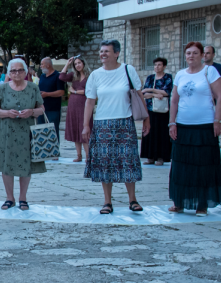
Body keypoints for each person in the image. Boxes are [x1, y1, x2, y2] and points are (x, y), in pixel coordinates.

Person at [82, 40, 148, 214]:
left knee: (128, 161)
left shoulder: (128, 70)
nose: (103, 54)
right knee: (105, 163)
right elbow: (89, 101)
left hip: (124, 122)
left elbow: (139, 94)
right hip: (102, 123)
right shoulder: (95, 75)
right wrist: (85, 126)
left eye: (107, 51)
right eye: (101, 51)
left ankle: (132, 199)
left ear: (117, 53)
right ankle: (107, 202)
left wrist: (146, 119)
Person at [168, 42, 221, 215]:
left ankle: (202, 203)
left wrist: (217, 120)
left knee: (203, 166)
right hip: (183, 125)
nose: (191, 56)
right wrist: (172, 123)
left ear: (202, 55)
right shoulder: (180, 74)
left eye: (195, 53)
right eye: (188, 53)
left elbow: (220, 96)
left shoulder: (210, 71)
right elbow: (174, 100)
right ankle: (179, 201)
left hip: (204, 126)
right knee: (181, 166)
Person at [0, 58, 45, 210]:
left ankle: (23, 198)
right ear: (9, 73)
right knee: (7, 164)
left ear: (25, 72)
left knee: (26, 164)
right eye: (13, 70)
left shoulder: (33, 87)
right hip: (7, 131)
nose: (17, 73)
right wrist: (6, 113)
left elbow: (41, 108)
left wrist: (32, 111)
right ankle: (9, 198)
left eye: (20, 70)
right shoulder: (3, 88)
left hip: (27, 131)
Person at [140, 57, 173, 166]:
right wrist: (155, 94)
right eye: (155, 65)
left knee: (161, 133)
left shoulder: (168, 77)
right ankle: (150, 157)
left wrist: (152, 90)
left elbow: (167, 92)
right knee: (149, 132)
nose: (157, 67)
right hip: (150, 109)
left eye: (159, 65)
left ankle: (161, 157)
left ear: (164, 66)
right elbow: (144, 93)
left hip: (162, 110)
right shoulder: (150, 78)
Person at [59, 56, 91, 163]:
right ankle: (79, 155)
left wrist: (75, 91)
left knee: (84, 129)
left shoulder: (89, 76)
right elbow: (62, 77)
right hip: (73, 105)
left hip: (84, 105)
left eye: (79, 63)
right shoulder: (73, 75)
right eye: (75, 64)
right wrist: (67, 64)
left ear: (83, 63)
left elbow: (89, 91)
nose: (77, 65)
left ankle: (88, 156)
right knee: (76, 130)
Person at [37, 57, 66, 160]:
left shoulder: (57, 76)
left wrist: (47, 94)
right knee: (41, 129)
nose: (40, 66)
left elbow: (61, 92)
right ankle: (43, 151)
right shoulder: (42, 76)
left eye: (42, 64)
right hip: (41, 107)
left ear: (48, 65)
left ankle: (54, 152)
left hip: (53, 108)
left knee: (53, 129)